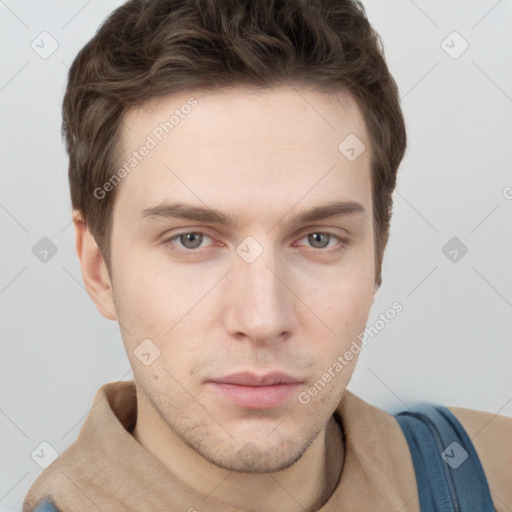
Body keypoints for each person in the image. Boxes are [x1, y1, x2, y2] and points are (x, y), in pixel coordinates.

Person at [22, 0, 511, 511]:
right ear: (99, 268)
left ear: (378, 255)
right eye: (191, 239)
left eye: (318, 239)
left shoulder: (492, 474)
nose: (262, 319)